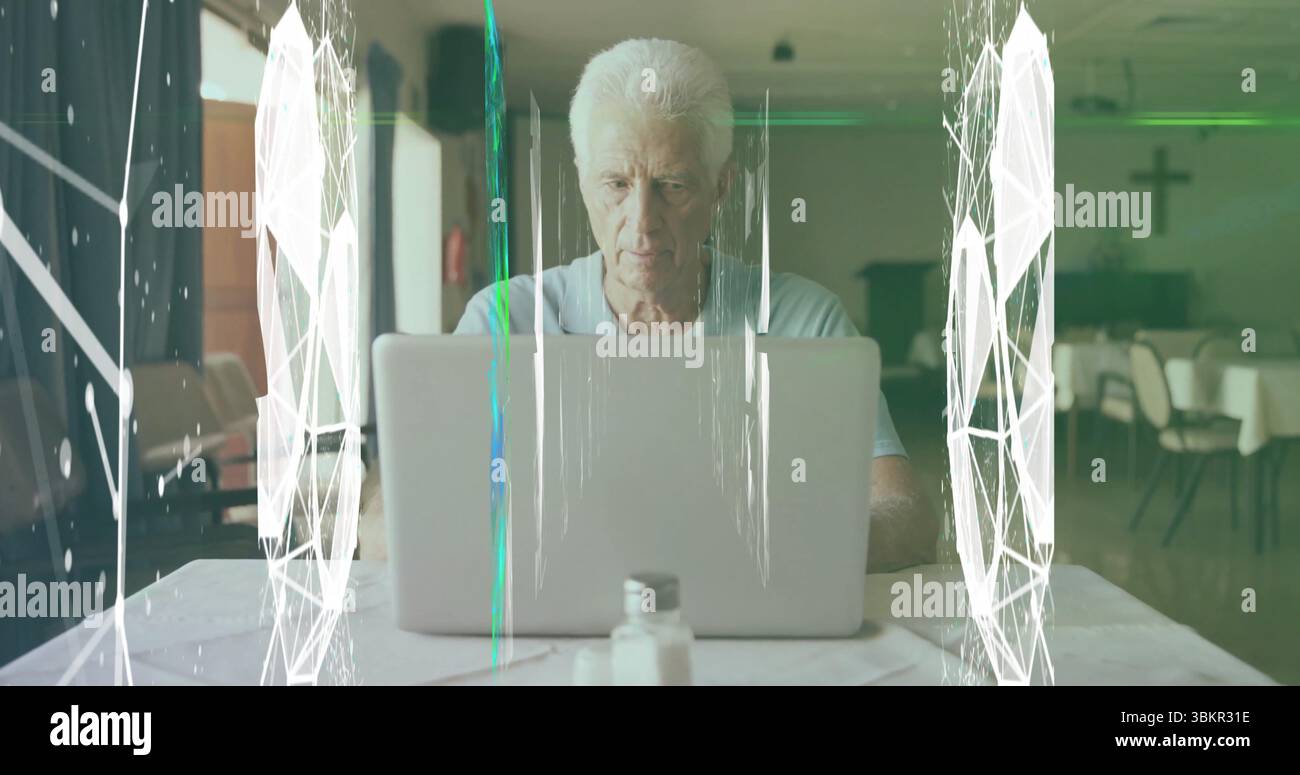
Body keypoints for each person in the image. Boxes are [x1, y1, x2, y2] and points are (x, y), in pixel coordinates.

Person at [456, 38, 938, 572]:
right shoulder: (502, 320)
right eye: (616, 184)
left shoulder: (805, 321)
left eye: (672, 185)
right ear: (583, 182)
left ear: (721, 187)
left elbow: (906, 518)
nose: (642, 221)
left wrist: (776, 549)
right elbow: (410, 506)